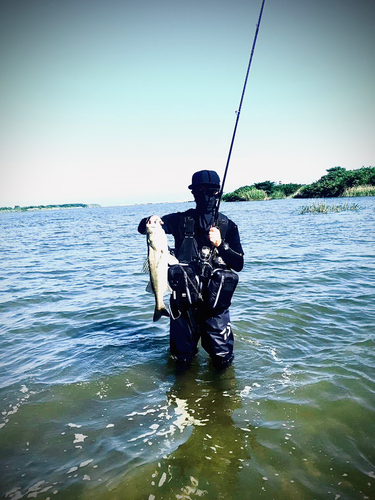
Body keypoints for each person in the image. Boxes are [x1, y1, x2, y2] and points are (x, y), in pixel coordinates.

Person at [138, 170, 244, 370]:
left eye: (210, 191)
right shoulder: (179, 220)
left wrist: (221, 244)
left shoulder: (228, 226)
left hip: (215, 306)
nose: (205, 195)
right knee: (181, 361)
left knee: (223, 362)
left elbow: (239, 264)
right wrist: (150, 220)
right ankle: (184, 398)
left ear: (218, 192)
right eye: (199, 191)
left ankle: (221, 399)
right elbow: (142, 229)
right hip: (182, 304)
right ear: (193, 193)